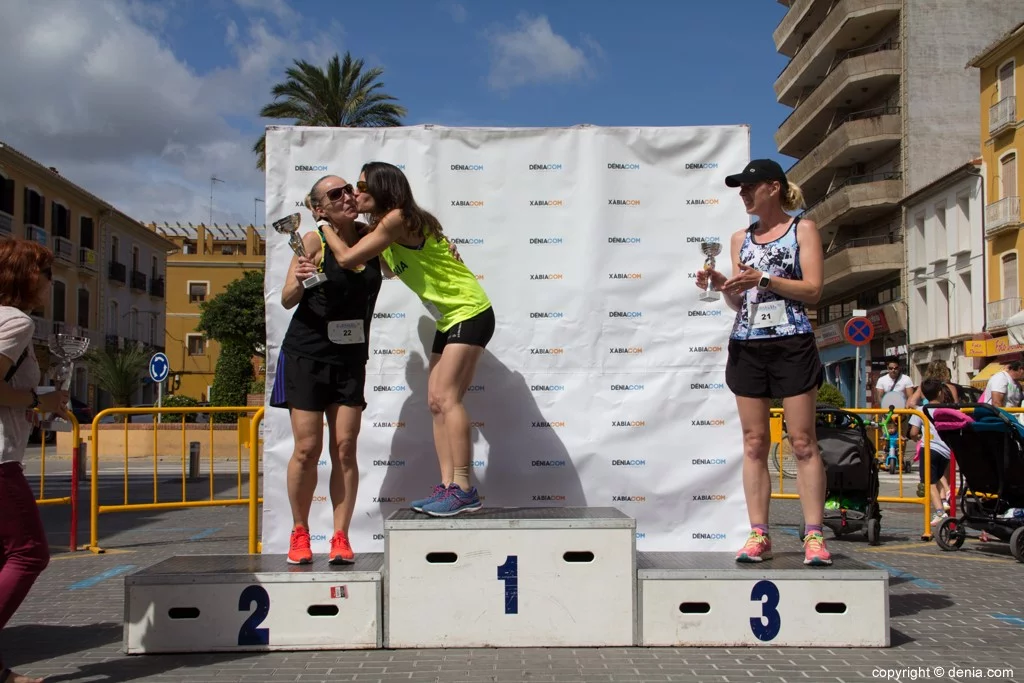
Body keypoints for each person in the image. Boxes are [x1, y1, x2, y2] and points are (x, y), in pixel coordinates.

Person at [325, 161, 494, 517]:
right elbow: (383, 267)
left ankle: (464, 487)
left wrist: (326, 227)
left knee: (447, 398)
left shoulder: (398, 218)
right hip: (449, 318)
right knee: (435, 402)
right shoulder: (386, 228)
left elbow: (348, 258)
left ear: (384, 188)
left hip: (470, 311)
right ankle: (449, 487)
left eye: (361, 186)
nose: (356, 193)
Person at [695, 158, 832, 566]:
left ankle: (813, 535)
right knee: (754, 443)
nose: (743, 195)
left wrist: (765, 279)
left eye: (749, 188)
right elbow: (741, 300)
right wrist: (723, 286)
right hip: (748, 342)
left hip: (792, 341)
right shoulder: (740, 238)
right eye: (739, 189)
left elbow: (813, 290)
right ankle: (759, 534)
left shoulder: (802, 229)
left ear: (773, 187)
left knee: (803, 441)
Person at [270, 175, 383, 565]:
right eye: (335, 194)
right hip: (307, 354)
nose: (348, 196)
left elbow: (411, 260)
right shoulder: (314, 241)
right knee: (306, 447)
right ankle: (300, 532)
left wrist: (445, 251)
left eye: (349, 189)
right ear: (319, 209)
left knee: (345, 448)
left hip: (350, 358)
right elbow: (286, 299)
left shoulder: (374, 237)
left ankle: (340, 537)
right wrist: (300, 280)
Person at [0, 239, 70, 683]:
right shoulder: (15, 321)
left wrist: (33, 403)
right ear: (27, 276)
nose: (49, 283)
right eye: (45, 273)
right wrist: (35, 398)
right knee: (28, 554)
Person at [907, 379, 954, 526]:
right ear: (940, 393)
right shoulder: (948, 409)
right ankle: (947, 492)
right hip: (946, 451)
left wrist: (918, 437)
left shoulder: (922, 410)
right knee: (938, 475)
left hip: (929, 448)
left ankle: (940, 511)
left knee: (929, 482)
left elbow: (913, 432)